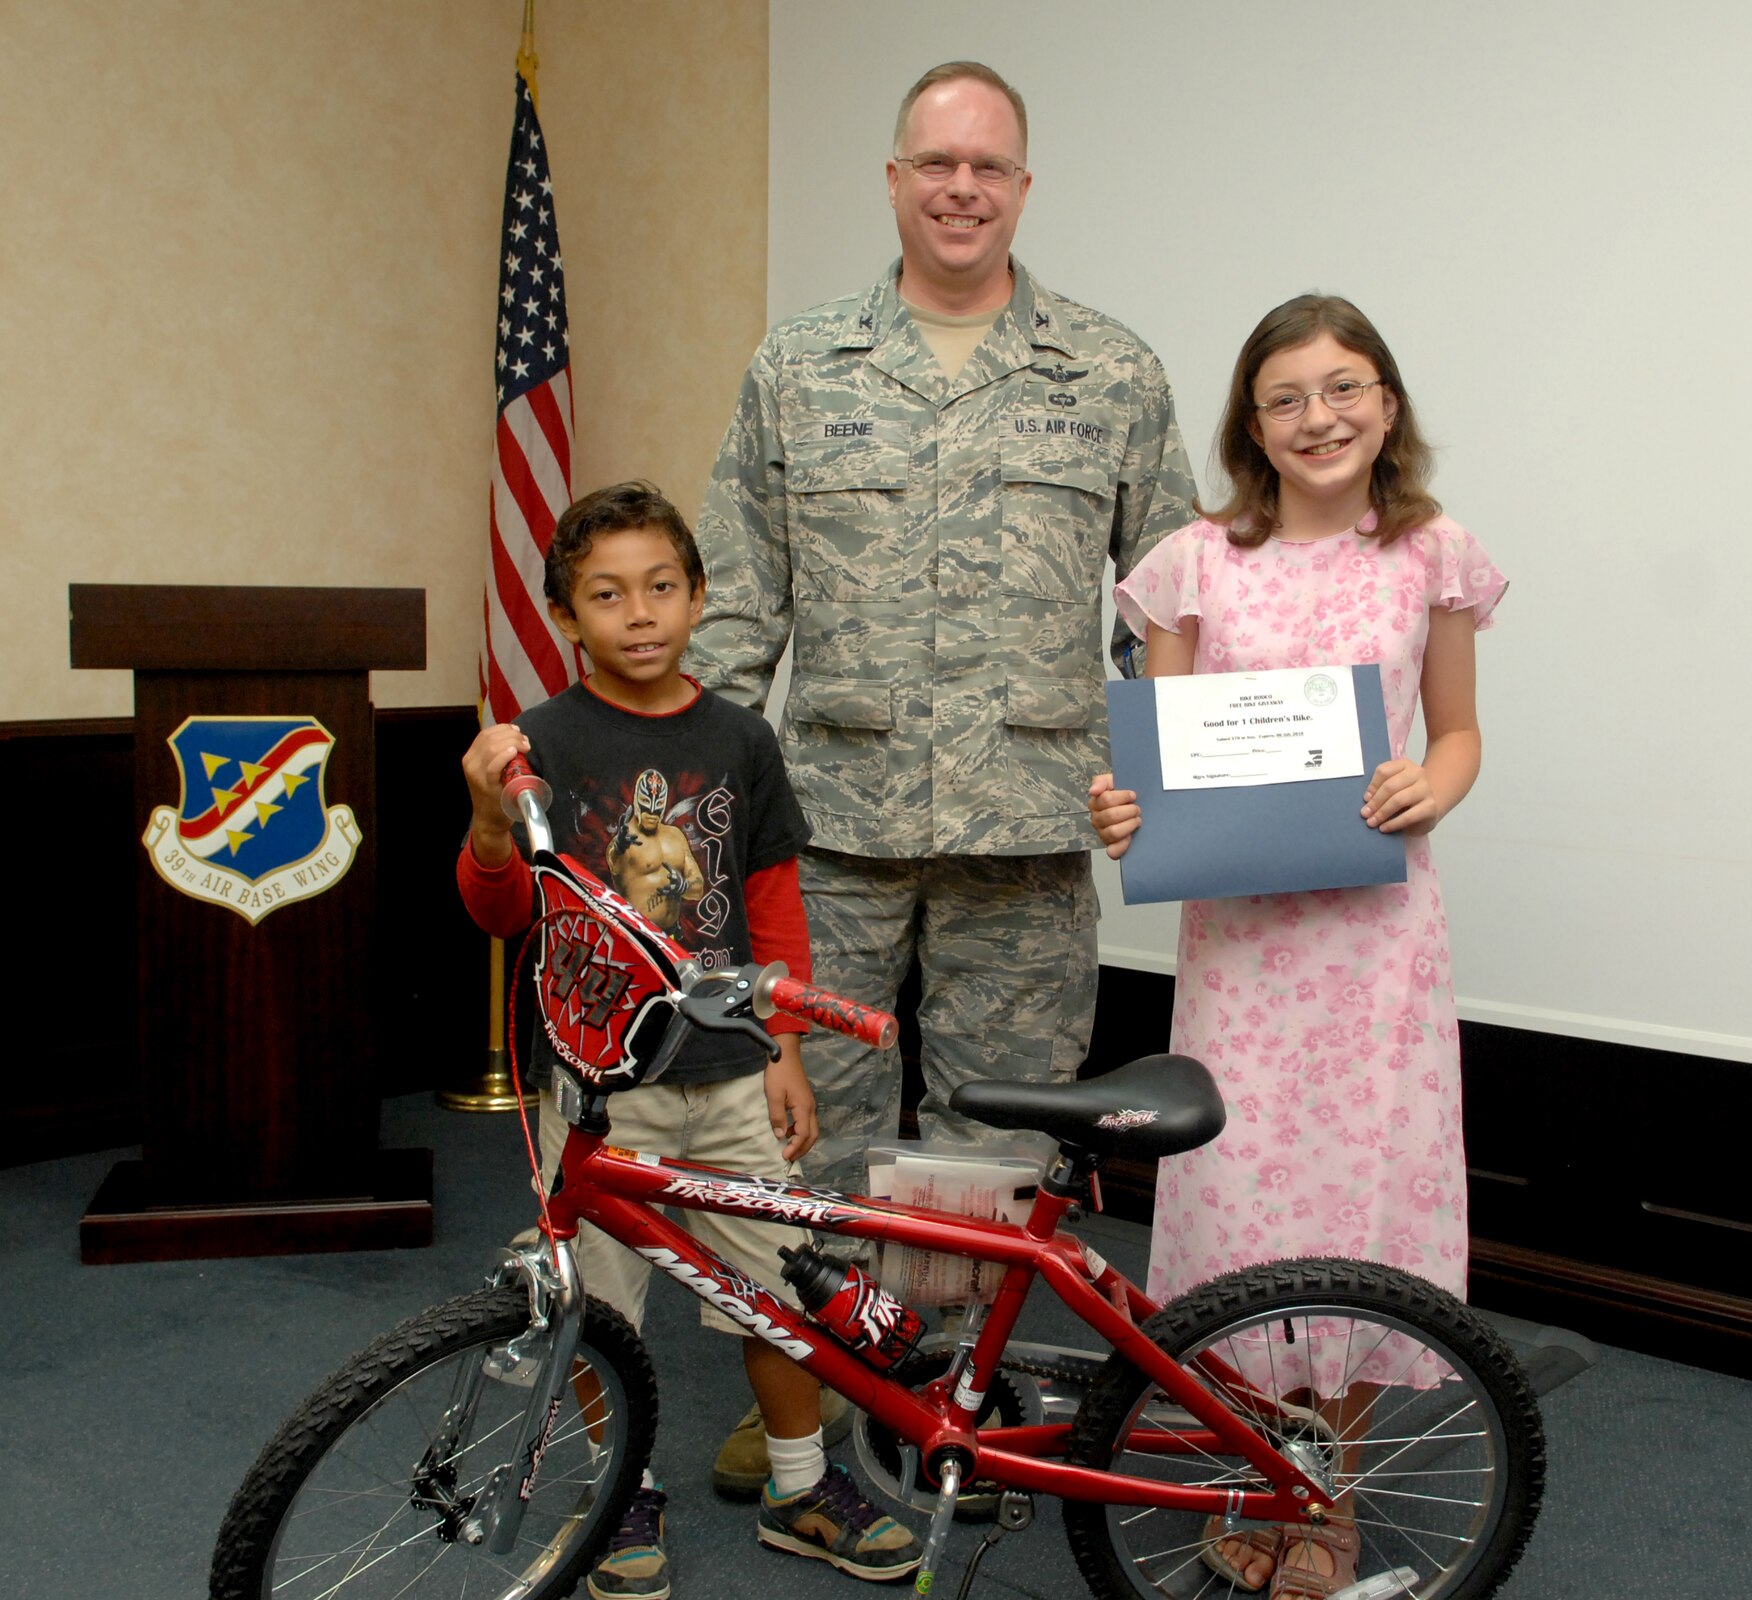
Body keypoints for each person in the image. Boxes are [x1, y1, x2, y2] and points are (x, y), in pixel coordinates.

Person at [686, 60, 1195, 1493]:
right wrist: (696, 830)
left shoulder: (1111, 371)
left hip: (1026, 832)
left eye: (990, 166)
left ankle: (957, 1395)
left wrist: (1163, 776)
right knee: (818, 1132)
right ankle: (814, 1407)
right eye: (937, 163)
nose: (963, 187)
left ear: (1023, 188)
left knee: (995, 1139)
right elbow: (737, 610)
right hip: (829, 830)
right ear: (895, 180)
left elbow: (1171, 614)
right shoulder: (800, 367)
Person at [1088, 296, 1506, 1599]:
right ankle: (1245, 1468)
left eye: (1344, 388)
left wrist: (1434, 787)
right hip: (1246, 957)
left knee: (1354, 1211)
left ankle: (1331, 1493)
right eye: (1286, 396)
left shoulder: (1430, 553)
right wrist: (1123, 811)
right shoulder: (1191, 566)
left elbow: (1456, 733)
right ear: (1250, 424)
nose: (1318, 417)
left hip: (1375, 948)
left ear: (1386, 403)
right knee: (1236, 1205)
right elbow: (1156, 766)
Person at [458, 483, 919, 1597]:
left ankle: (801, 1485)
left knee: (781, 1290)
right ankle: (621, 1490)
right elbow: (500, 913)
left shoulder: (741, 737)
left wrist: (788, 1048)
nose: (639, 613)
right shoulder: (543, 743)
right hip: (602, 1080)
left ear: (699, 594)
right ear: (568, 616)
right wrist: (485, 819)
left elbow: (771, 908)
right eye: (606, 594)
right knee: (602, 1308)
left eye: (661, 586)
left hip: (726, 1072)